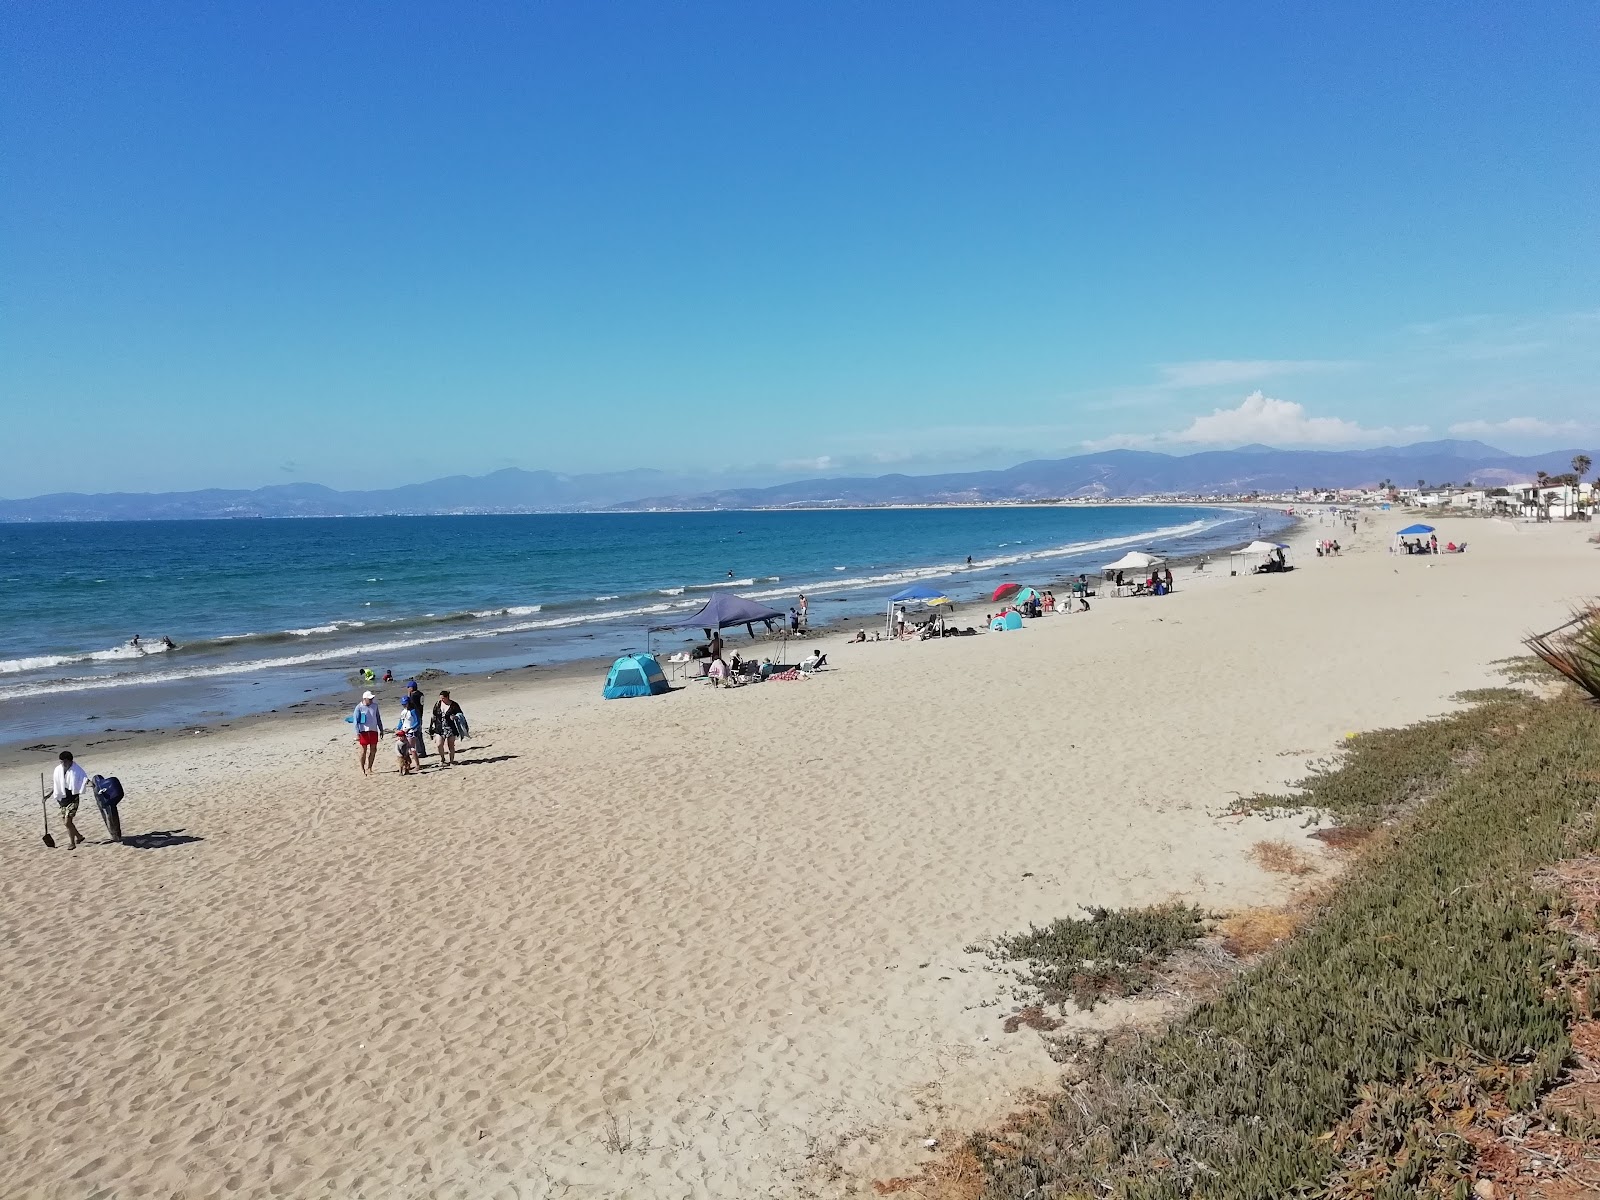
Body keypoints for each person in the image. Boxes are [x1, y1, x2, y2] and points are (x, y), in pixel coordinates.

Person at [49, 750, 90, 849]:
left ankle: (72, 843)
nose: (62, 764)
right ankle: (79, 837)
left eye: (63, 761)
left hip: (73, 799)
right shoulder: (58, 769)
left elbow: (84, 779)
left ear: (69, 761)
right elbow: (56, 784)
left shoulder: (77, 769)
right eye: (61, 761)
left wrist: (92, 784)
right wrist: (48, 795)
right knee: (67, 823)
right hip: (62, 800)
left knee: (67, 822)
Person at [352, 690, 384, 776]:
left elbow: (378, 718)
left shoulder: (375, 706)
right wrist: (357, 733)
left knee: (373, 750)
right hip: (363, 732)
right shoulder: (359, 707)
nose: (371, 700)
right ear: (364, 699)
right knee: (363, 750)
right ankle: (362, 768)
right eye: (369, 699)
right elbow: (356, 721)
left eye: (372, 698)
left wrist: (381, 729)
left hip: (373, 730)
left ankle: (370, 767)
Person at [431, 690, 464, 766]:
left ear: (447, 697)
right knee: (439, 744)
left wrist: (455, 717)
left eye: (443, 698)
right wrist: (432, 726)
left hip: (451, 727)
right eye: (440, 698)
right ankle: (442, 758)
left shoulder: (454, 705)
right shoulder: (438, 704)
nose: (441, 700)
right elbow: (434, 715)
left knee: (451, 745)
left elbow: (460, 714)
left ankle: (451, 761)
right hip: (440, 727)